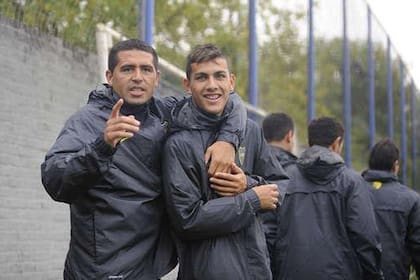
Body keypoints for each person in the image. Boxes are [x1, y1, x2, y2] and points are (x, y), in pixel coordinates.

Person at [40, 39, 248, 279]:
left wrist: (228, 140)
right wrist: (102, 147)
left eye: (145, 70)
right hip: (102, 271)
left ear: (156, 78)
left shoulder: (165, 112)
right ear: (110, 76)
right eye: (128, 69)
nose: (137, 77)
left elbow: (226, 98)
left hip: (148, 268)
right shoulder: (87, 121)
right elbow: (55, 181)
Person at [161, 43, 288, 280]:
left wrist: (248, 184)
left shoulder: (250, 131)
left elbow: (282, 185)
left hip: (257, 270)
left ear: (231, 81)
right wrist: (251, 200)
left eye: (219, 76)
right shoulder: (177, 145)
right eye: (202, 77)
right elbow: (187, 220)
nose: (212, 85)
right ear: (187, 85)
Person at [268, 116, 383, 280]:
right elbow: (366, 238)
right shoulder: (352, 182)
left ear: (309, 142)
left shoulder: (284, 178)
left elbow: (269, 233)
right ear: (337, 143)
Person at [362, 138, 420, 279]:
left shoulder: (352, 193)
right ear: (395, 165)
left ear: (370, 164)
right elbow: (417, 245)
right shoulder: (411, 199)